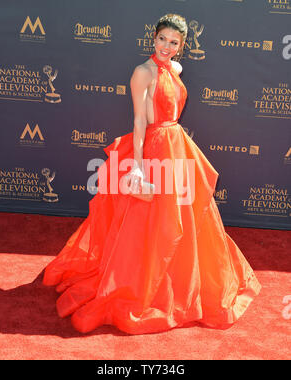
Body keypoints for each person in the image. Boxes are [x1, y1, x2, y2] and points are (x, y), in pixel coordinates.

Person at [43, 14, 261, 334]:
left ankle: (180, 283)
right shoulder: (142, 72)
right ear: (154, 38)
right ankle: (141, 284)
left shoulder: (177, 69)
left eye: (174, 43)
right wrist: (141, 167)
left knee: (183, 218)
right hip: (155, 148)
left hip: (177, 145)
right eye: (162, 39)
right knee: (147, 222)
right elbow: (139, 122)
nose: (166, 47)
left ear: (181, 46)